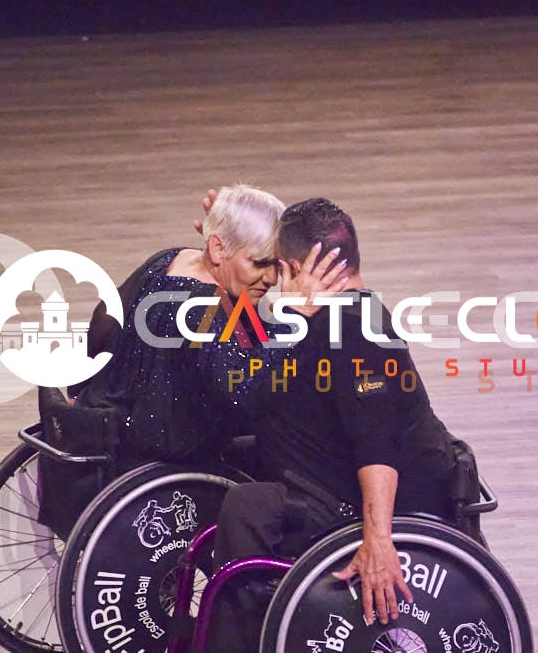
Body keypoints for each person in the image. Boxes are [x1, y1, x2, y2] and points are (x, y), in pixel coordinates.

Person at [210, 197, 469, 650]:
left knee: (245, 507)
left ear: (295, 268)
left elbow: (378, 446)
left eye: (276, 265)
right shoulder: (319, 315)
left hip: (356, 503)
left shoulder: (355, 331)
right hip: (324, 476)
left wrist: (378, 541)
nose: (270, 278)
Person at [40, 185, 346, 537]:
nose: (272, 279)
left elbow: (104, 320)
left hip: (116, 419)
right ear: (217, 248)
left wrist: (81, 390)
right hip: (159, 448)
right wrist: (294, 317)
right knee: (288, 436)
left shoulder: (172, 259)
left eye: (275, 265)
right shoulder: (200, 308)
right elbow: (245, 392)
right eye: (259, 263)